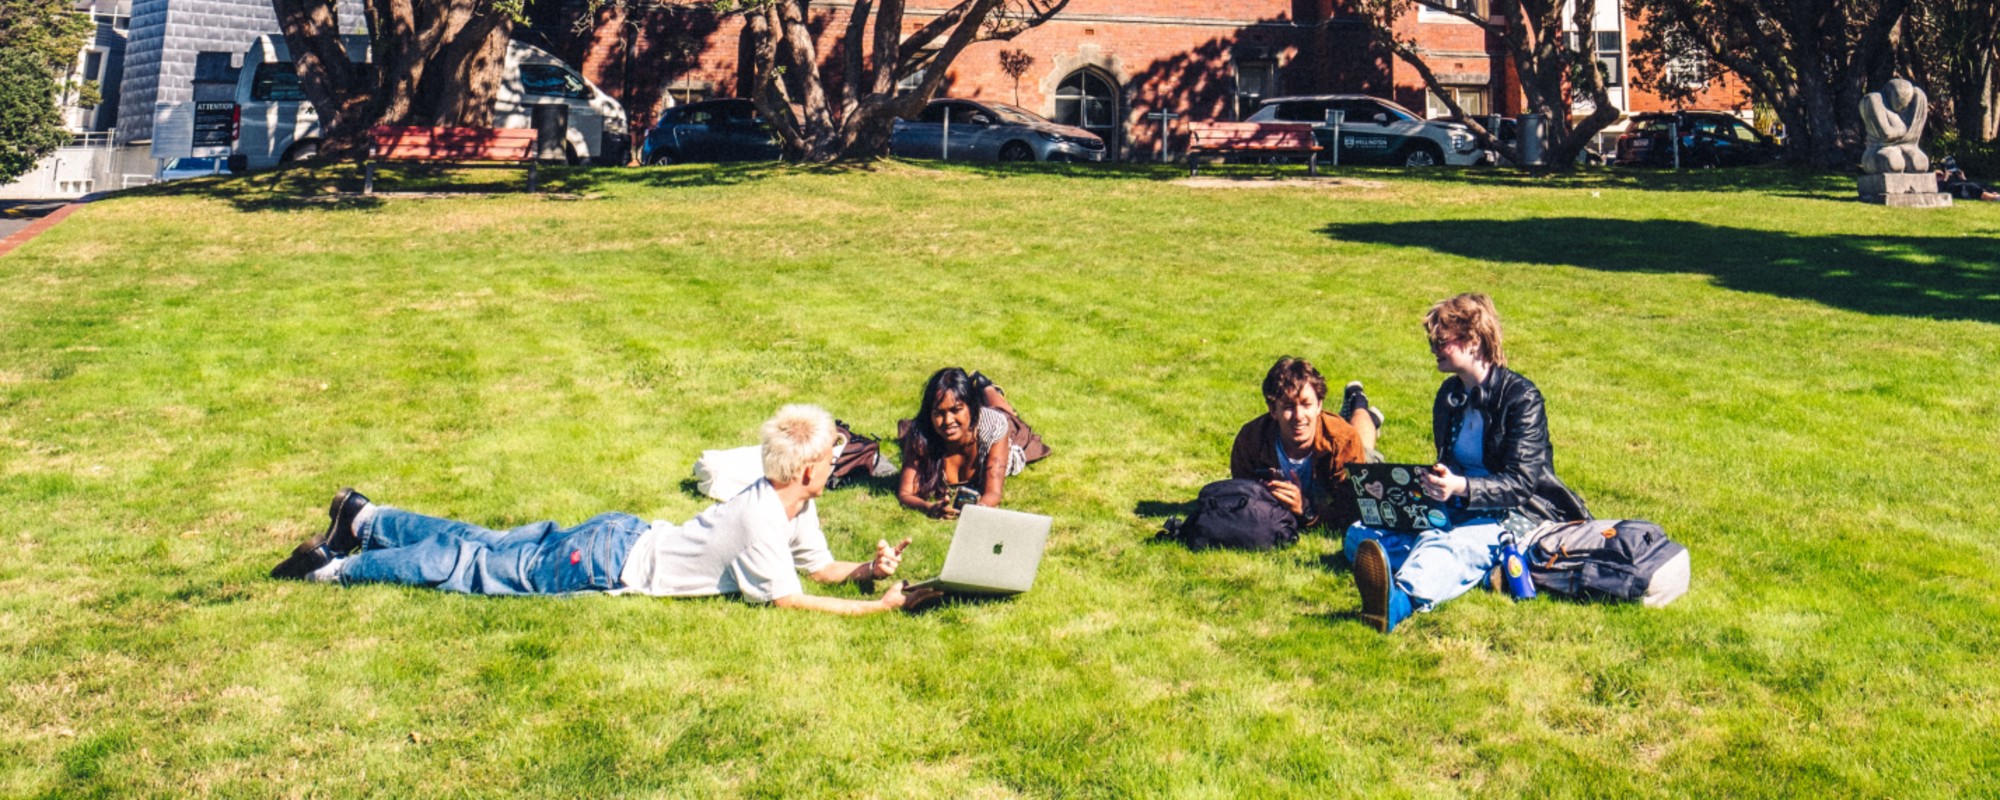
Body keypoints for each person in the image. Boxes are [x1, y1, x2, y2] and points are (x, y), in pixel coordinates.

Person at [271, 404, 942, 616]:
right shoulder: (761, 517)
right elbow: (789, 600)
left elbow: (817, 571)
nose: (840, 461)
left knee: (486, 540)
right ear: (806, 470)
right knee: (472, 564)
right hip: (604, 559)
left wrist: (864, 569)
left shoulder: (794, 506)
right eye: (834, 454)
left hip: (618, 536)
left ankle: (361, 518)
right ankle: (331, 571)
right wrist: (876, 609)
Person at [1346, 293, 1591, 633]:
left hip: (1515, 514)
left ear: (1473, 340)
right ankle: (1468, 571)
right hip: (1458, 505)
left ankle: (1397, 603)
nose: (1432, 347)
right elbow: (1447, 462)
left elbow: (1521, 483)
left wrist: (1460, 486)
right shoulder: (1449, 395)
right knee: (1360, 534)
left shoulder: (1522, 398)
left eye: (1440, 340)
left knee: (1454, 544)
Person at [1229, 357, 1384, 530]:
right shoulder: (1251, 439)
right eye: (1288, 406)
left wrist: (1305, 510)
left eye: (1306, 404)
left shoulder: (1344, 441)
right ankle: (1369, 415)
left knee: (1365, 446)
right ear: (1273, 410)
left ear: (1319, 405)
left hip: (1344, 446)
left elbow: (1351, 511)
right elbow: (1242, 499)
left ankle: (1358, 401)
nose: (1299, 416)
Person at [896, 368, 1049, 520]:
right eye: (939, 413)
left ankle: (986, 387)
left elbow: (993, 493)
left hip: (996, 422)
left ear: (972, 407)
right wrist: (929, 508)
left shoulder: (993, 428)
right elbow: (905, 493)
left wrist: (977, 510)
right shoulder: (920, 433)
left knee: (1007, 415)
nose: (948, 420)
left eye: (956, 410)